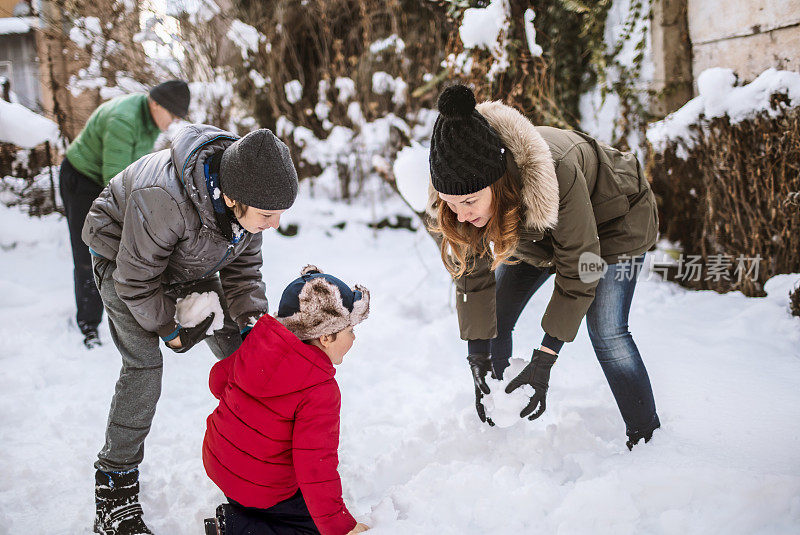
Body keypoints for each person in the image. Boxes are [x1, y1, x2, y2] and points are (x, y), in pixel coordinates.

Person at [83, 125, 299, 535]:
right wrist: (169, 328)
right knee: (144, 367)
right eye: (268, 215)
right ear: (234, 197)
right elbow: (135, 280)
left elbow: (243, 274)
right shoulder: (163, 198)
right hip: (123, 259)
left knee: (244, 350)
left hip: (186, 252)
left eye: (280, 214)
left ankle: (267, 462)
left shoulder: (247, 201)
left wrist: (253, 324)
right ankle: (114, 492)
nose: (275, 224)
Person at [427, 84, 660, 450]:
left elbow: (579, 268)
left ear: (497, 183)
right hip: (535, 231)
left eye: (470, 202)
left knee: (607, 331)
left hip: (615, 221)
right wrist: (478, 356)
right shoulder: (457, 187)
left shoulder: (555, 171)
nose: (461, 214)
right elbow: (473, 278)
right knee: (495, 320)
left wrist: (544, 360)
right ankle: (503, 407)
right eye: (450, 204)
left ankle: (647, 437)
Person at [202, 266, 370, 535]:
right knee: (313, 529)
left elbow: (217, 381)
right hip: (261, 487)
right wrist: (340, 527)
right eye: (350, 330)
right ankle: (235, 526)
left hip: (220, 464)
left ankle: (246, 508)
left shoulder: (259, 343)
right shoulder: (319, 389)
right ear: (326, 337)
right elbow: (314, 466)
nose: (354, 338)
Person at [60, 79, 190, 348]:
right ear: (155, 103)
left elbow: (137, 173)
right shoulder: (124, 119)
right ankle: (88, 325)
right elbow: (116, 182)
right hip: (81, 179)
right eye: (172, 114)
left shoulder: (150, 121)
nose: (173, 121)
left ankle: (131, 313)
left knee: (125, 244)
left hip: (107, 180)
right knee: (89, 249)